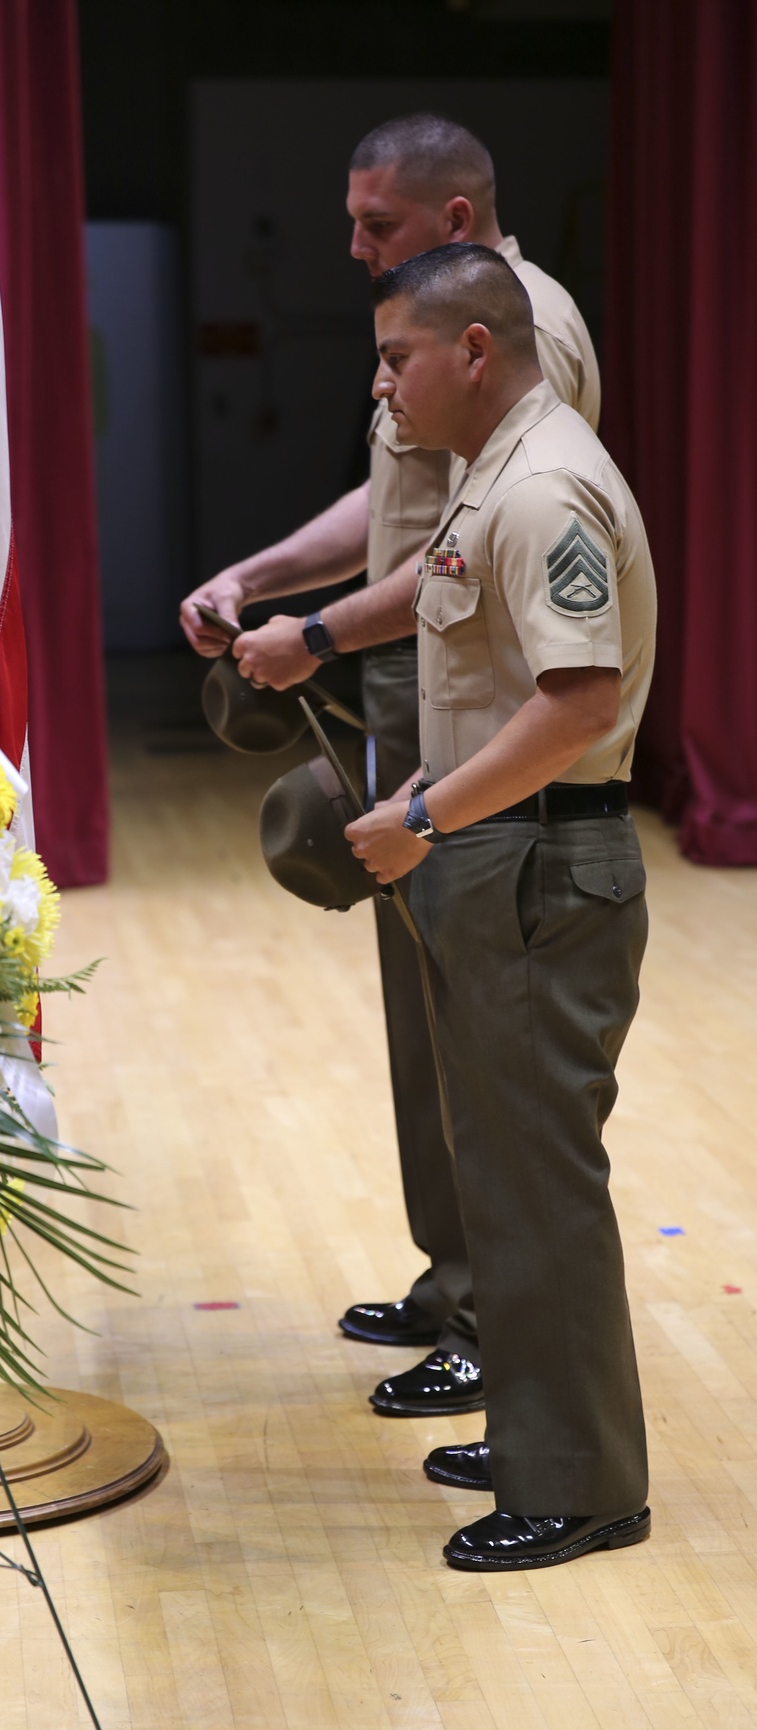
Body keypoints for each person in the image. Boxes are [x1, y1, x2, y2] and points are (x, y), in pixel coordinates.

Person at [180, 114, 601, 1419]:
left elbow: (468, 549)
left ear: (457, 222)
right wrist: (268, 576)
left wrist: (314, 633)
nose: (353, 245)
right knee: (429, 1022)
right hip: (418, 699)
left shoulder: (518, 325)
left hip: (485, 723)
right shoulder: (424, 321)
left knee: (483, 1030)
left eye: (378, 224)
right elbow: (398, 507)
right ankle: (456, 1276)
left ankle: (496, 1320)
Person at [343, 242, 654, 1569]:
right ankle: (537, 1426)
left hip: (541, 865)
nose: (383, 385)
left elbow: (578, 699)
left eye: (398, 357)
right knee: (503, 1176)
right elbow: (489, 679)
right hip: (495, 849)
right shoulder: (491, 476)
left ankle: (582, 1486)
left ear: (476, 349)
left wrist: (419, 814)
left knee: (539, 1182)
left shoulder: (546, 485)